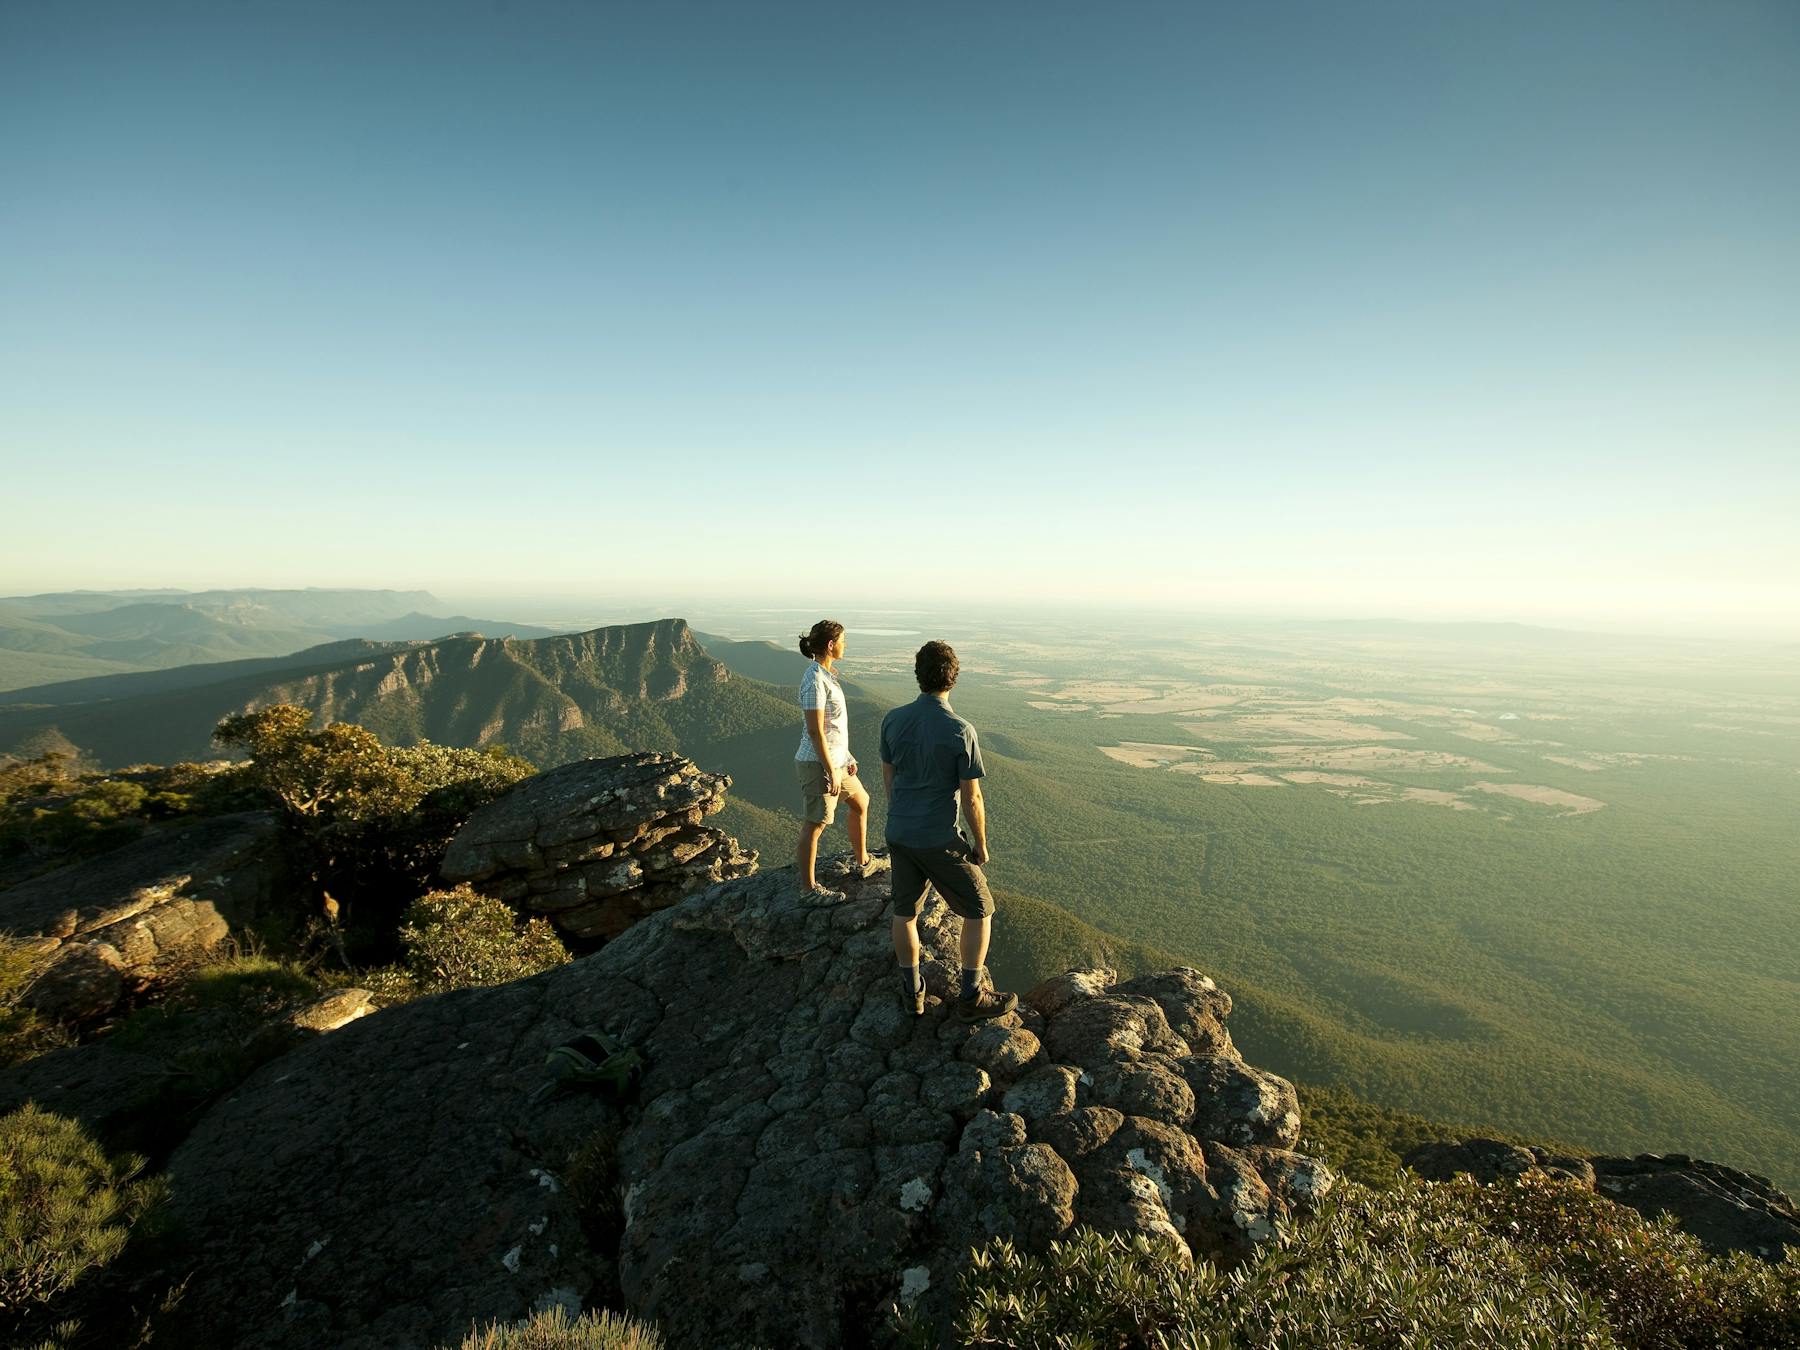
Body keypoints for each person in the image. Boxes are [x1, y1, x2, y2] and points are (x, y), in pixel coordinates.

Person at [881, 639, 1017, 1021]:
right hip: (938, 837)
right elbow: (972, 798)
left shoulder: (893, 719)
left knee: (905, 912)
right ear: (952, 678)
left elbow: (889, 776)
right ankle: (972, 996)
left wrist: (900, 816)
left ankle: (912, 994)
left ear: (918, 676)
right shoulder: (960, 730)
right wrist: (980, 845)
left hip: (900, 831)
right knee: (980, 908)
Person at [794, 618, 871, 897]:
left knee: (861, 801)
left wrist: (846, 757)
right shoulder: (814, 680)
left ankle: (862, 862)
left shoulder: (827, 676)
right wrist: (830, 770)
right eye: (842, 641)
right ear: (831, 644)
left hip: (836, 762)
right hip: (818, 763)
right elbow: (815, 732)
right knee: (816, 823)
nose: (845, 645)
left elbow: (833, 727)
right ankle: (808, 889)